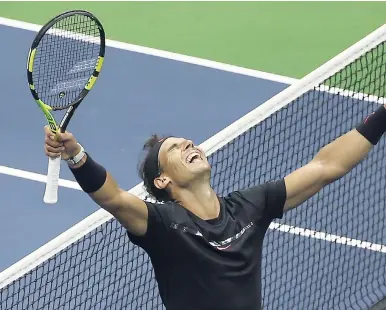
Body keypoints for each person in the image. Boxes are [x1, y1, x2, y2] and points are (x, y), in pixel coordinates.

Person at [43, 104, 386, 310]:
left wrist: (383, 115)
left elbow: (326, 168)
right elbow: (113, 197)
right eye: (175, 149)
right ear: (162, 181)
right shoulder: (163, 225)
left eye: (188, 142)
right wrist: (75, 154)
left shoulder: (250, 207)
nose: (189, 144)